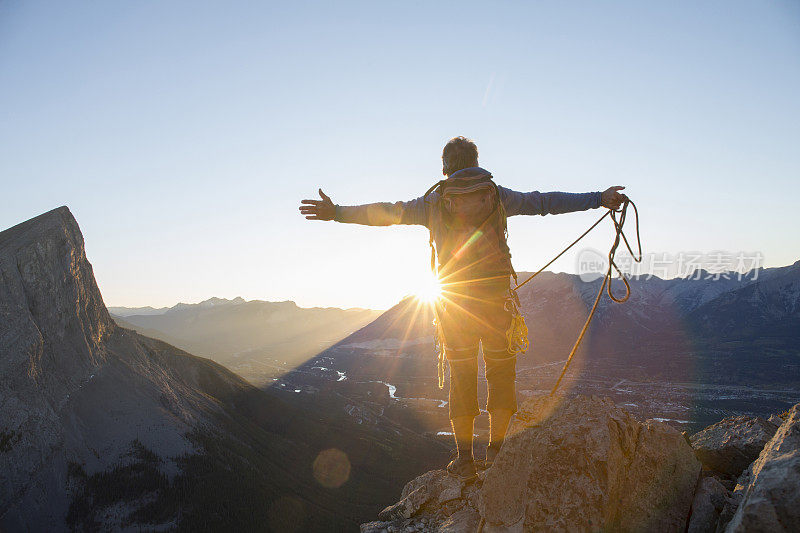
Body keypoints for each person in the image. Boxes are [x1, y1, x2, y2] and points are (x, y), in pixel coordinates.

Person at [299, 136, 625, 480]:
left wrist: (336, 213)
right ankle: (497, 452)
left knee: (463, 377)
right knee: (501, 374)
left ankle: (465, 460)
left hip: (454, 306)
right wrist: (597, 199)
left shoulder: (435, 202)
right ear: (476, 160)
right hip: (497, 302)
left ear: (445, 167)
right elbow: (545, 202)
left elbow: (386, 213)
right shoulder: (496, 195)